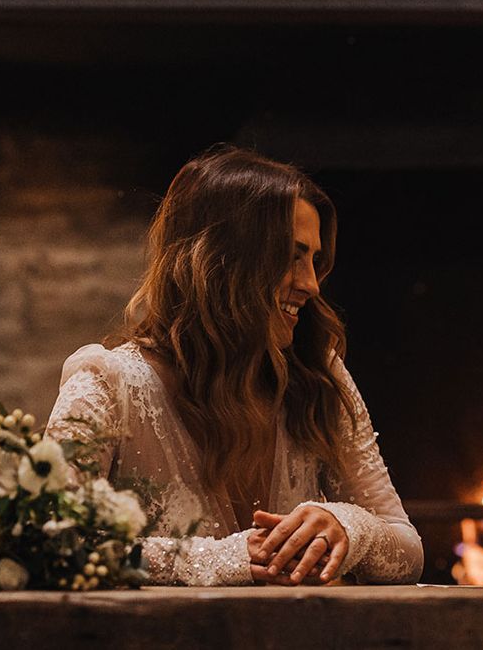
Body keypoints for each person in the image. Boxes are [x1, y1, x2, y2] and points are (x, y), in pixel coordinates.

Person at [46, 145, 423, 586]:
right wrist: (216, 559)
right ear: (223, 258)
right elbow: (53, 542)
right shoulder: (105, 384)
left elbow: (407, 549)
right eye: (291, 255)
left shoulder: (318, 375)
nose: (309, 284)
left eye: (315, 261)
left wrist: (344, 525)